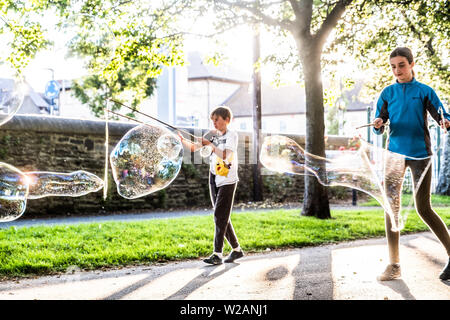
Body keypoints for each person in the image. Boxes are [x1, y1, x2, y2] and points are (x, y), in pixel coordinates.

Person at [373, 47, 450, 281]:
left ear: (412, 64)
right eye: (393, 66)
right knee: (391, 209)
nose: (397, 70)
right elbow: (379, 125)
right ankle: (394, 265)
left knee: (423, 208)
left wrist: (445, 121)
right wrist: (377, 124)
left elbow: (441, 117)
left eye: (402, 65)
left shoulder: (425, 91)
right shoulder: (387, 93)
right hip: (394, 156)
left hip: (420, 155)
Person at [178, 106, 244, 265]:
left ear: (227, 120)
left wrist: (211, 145)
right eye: (212, 120)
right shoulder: (212, 134)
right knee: (222, 216)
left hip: (227, 179)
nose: (214, 123)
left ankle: (217, 254)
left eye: (217, 119)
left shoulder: (231, 135)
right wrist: (182, 140)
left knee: (219, 216)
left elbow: (225, 155)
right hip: (214, 177)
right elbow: (195, 147)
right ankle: (236, 250)